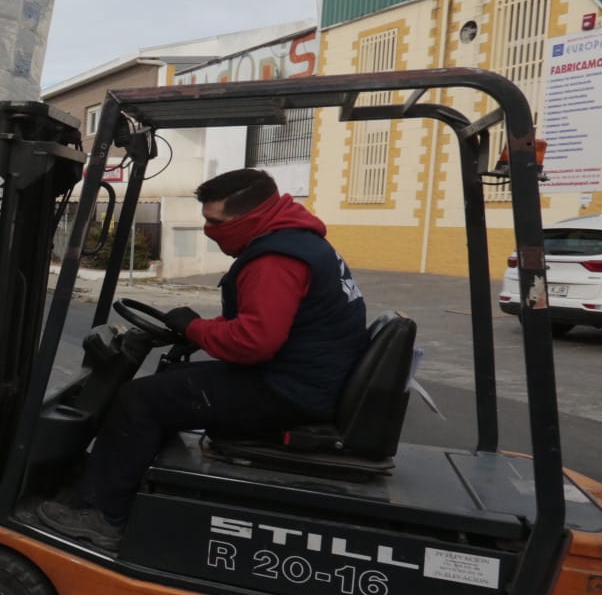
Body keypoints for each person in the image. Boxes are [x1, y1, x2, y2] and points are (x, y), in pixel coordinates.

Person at [35, 169, 369, 552]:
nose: (210, 231)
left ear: (252, 216)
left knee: (139, 400)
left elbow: (254, 342)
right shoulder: (296, 241)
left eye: (216, 222)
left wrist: (195, 329)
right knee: (172, 383)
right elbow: (265, 324)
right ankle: (112, 481)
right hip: (302, 378)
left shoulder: (275, 260)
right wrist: (197, 329)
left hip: (289, 391)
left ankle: (103, 516)